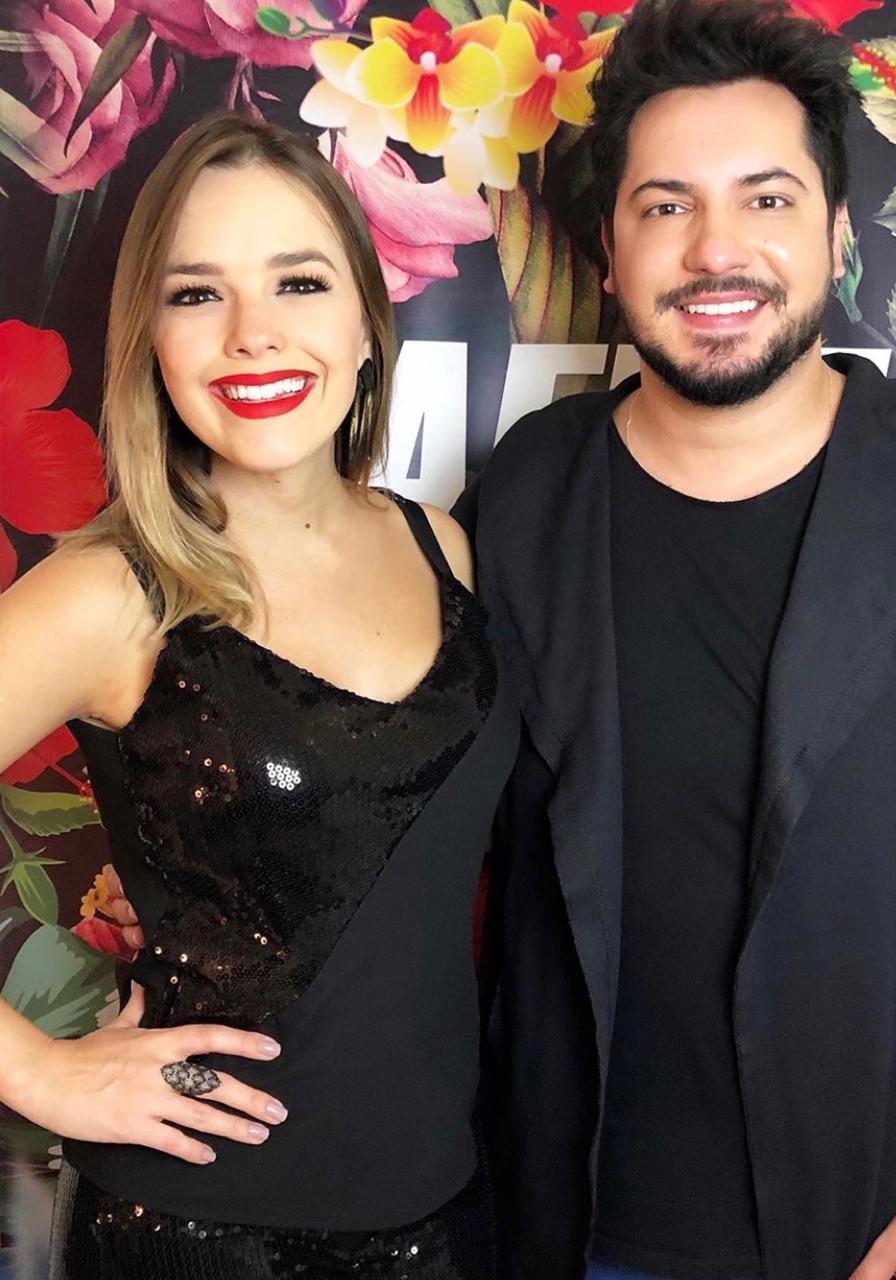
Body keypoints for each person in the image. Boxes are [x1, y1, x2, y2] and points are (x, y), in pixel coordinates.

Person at [454, 2, 896, 1279]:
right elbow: (434, 808)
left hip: (877, 1226)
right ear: (610, 252)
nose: (716, 249)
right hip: (569, 1217)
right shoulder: (527, 495)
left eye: (767, 198)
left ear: (839, 234)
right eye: (665, 205)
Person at [0, 112, 516, 1279]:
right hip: (200, 1238)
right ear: (151, 339)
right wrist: (37, 1070)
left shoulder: (442, 546)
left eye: (298, 281)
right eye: (198, 294)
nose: (253, 334)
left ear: (366, 319)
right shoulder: (114, 593)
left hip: (449, 1214)